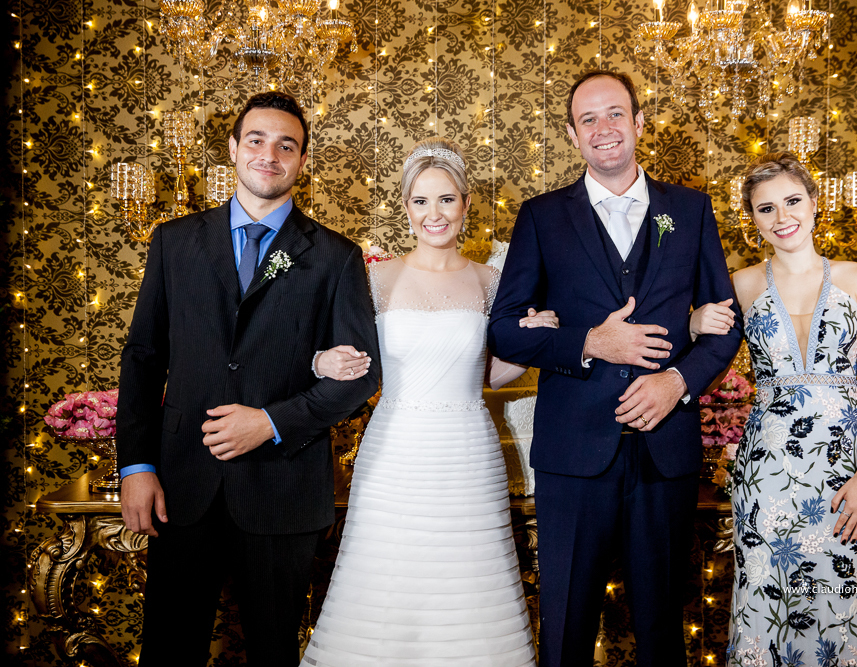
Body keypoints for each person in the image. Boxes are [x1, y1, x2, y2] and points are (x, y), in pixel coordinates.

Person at [487, 71, 744, 666]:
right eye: (588, 119)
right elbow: (503, 330)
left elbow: (724, 323)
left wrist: (677, 382)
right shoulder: (541, 216)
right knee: (566, 629)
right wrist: (589, 342)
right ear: (573, 134)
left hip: (666, 450)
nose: (603, 128)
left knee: (662, 630)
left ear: (638, 123)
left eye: (615, 114)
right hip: (573, 451)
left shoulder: (690, 209)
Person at [116, 91, 381, 667]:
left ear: (302, 161)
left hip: (283, 488)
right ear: (234, 149)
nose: (270, 154)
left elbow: (361, 375)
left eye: (287, 145)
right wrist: (136, 467)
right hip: (180, 485)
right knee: (168, 650)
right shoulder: (174, 241)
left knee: (274, 652)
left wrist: (270, 422)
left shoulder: (335, 256)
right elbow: (143, 358)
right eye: (256, 140)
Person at [300, 137, 556, 666]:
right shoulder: (373, 278)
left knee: (469, 580)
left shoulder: (491, 282)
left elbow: (489, 375)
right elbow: (329, 349)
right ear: (406, 207)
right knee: (385, 578)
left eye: (445, 199)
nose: (433, 213)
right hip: (394, 451)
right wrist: (321, 361)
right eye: (420, 200)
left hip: (467, 452)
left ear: (465, 204)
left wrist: (535, 342)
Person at [700, 151, 857, 666]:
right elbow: (706, 372)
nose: (782, 217)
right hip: (766, 477)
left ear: (814, 203)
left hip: (844, 475)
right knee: (765, 603)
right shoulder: (741, 285)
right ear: (753, 219)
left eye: (792, 201)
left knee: (843, 606)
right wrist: (695, 324)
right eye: (766, 208)